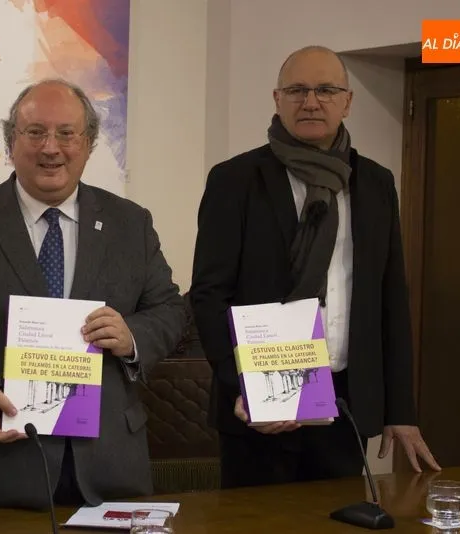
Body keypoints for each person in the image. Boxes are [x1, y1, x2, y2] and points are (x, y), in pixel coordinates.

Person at [0, 78, 188, 512]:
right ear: (11, 141)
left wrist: (133, 337)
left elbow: (168, 308)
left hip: (109, 470)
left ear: (88, 144)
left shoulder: (131, 224)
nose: (51, 147)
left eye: (67, 133)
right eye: (35, 132)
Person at [189, 46, 441, 489]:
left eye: (326, 90)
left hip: (343, 403)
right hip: (257, 407)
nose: (311, 101)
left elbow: (390, 298)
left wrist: (400, 411)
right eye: (297, 90)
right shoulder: (235, 180)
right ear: (277, 98)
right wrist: (242, 385)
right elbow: (209, 295)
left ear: (347, 101)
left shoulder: (376, 183)